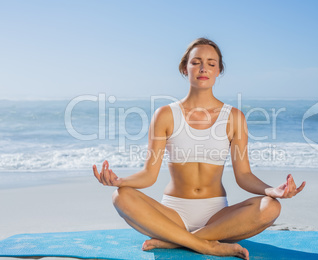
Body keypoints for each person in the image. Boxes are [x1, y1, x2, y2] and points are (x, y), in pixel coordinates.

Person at [93, 37, 306, 259]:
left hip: (217, 216)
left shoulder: (234, 117)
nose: (203, 68)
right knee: (120, 196)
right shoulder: (165, 115)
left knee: (271, 207)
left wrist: (272, 190)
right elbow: (149, 175)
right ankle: (206, 245)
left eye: (211, 63)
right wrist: (120, 181)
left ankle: (177, 241)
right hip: (172, 213)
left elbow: (243, 175)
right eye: (196, 62)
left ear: (218, 70)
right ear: (184, 68)